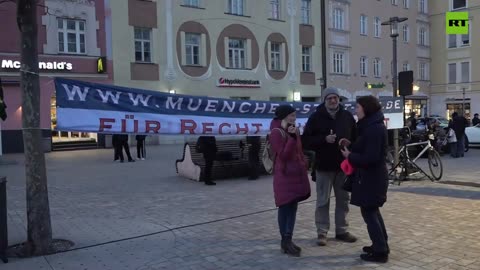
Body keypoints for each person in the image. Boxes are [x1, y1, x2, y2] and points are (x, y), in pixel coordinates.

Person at [302, 87, 357, 246]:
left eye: (335, 98)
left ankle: (342, 230)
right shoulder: (316, 117)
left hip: (343, 167)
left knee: (343, 200)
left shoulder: (347, 116)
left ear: (339, 99)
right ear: (324, 100)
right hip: (323, 166)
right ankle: (322, 232)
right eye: (329, 98)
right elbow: (306, 141)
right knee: (322, 201)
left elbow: (356, 137)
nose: (333, 101)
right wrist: (324, 139)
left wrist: (349, 144)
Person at [340, 95, 389, 263]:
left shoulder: (374, 128)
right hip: (370, 177)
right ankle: (381, 245)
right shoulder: (369, 126)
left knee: (369, 212)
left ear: (366, 109)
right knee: (372, 211)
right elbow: (366, 147)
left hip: (372, 178)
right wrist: (351, 145)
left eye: (358, 107)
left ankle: (380, 251)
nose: (355, 110)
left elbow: (372, 157)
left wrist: (350, 156)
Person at [270, 105, 311, 257]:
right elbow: (283, 156)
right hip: (284, 176)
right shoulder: (276, 132)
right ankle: (284, 241)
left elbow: (298, 151)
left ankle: (289, 238)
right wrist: (292, 139)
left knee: (293, 207)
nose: (294, 118)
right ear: (284, 116)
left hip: (297, 174)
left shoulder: (294, 130)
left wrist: (304, 162)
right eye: (291, 115)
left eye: (295, 115)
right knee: (285, 206)